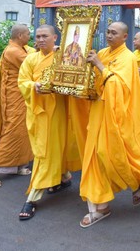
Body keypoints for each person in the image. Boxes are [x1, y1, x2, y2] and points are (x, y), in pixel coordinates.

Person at [80, 22, 140, 228]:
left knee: (116, 154)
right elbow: (97, 81)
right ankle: (100, 206)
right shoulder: (103, 52)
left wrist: (100, 65)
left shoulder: (128, 57)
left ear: (125, 36)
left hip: (118, 114)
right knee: (95, 155)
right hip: (100, 110)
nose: (109, 35)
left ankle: (136, 183)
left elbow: (119, 86)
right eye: (108, 32)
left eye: (114, 33)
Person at [17, 25, 88, 221]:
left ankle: (33, 197)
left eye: (44, 36)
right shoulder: (30, 59)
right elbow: (22, 81)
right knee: (45, 150)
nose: (40, 39)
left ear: (55, 37)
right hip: (39, 111)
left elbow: (76, 76)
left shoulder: (64, 55)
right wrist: (34, 86)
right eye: (38, 36)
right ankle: (60, 179)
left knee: (54, 148)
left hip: (60, 110)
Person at [0, 24, 34, 188]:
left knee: (24, 130)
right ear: (20, 35)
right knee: (12, 130)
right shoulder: (13, 51)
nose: (29, 37)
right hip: (14, 95)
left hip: (22, 93)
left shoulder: (20, 47)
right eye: (27, 34)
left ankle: (18, 164)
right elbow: (34, 64)